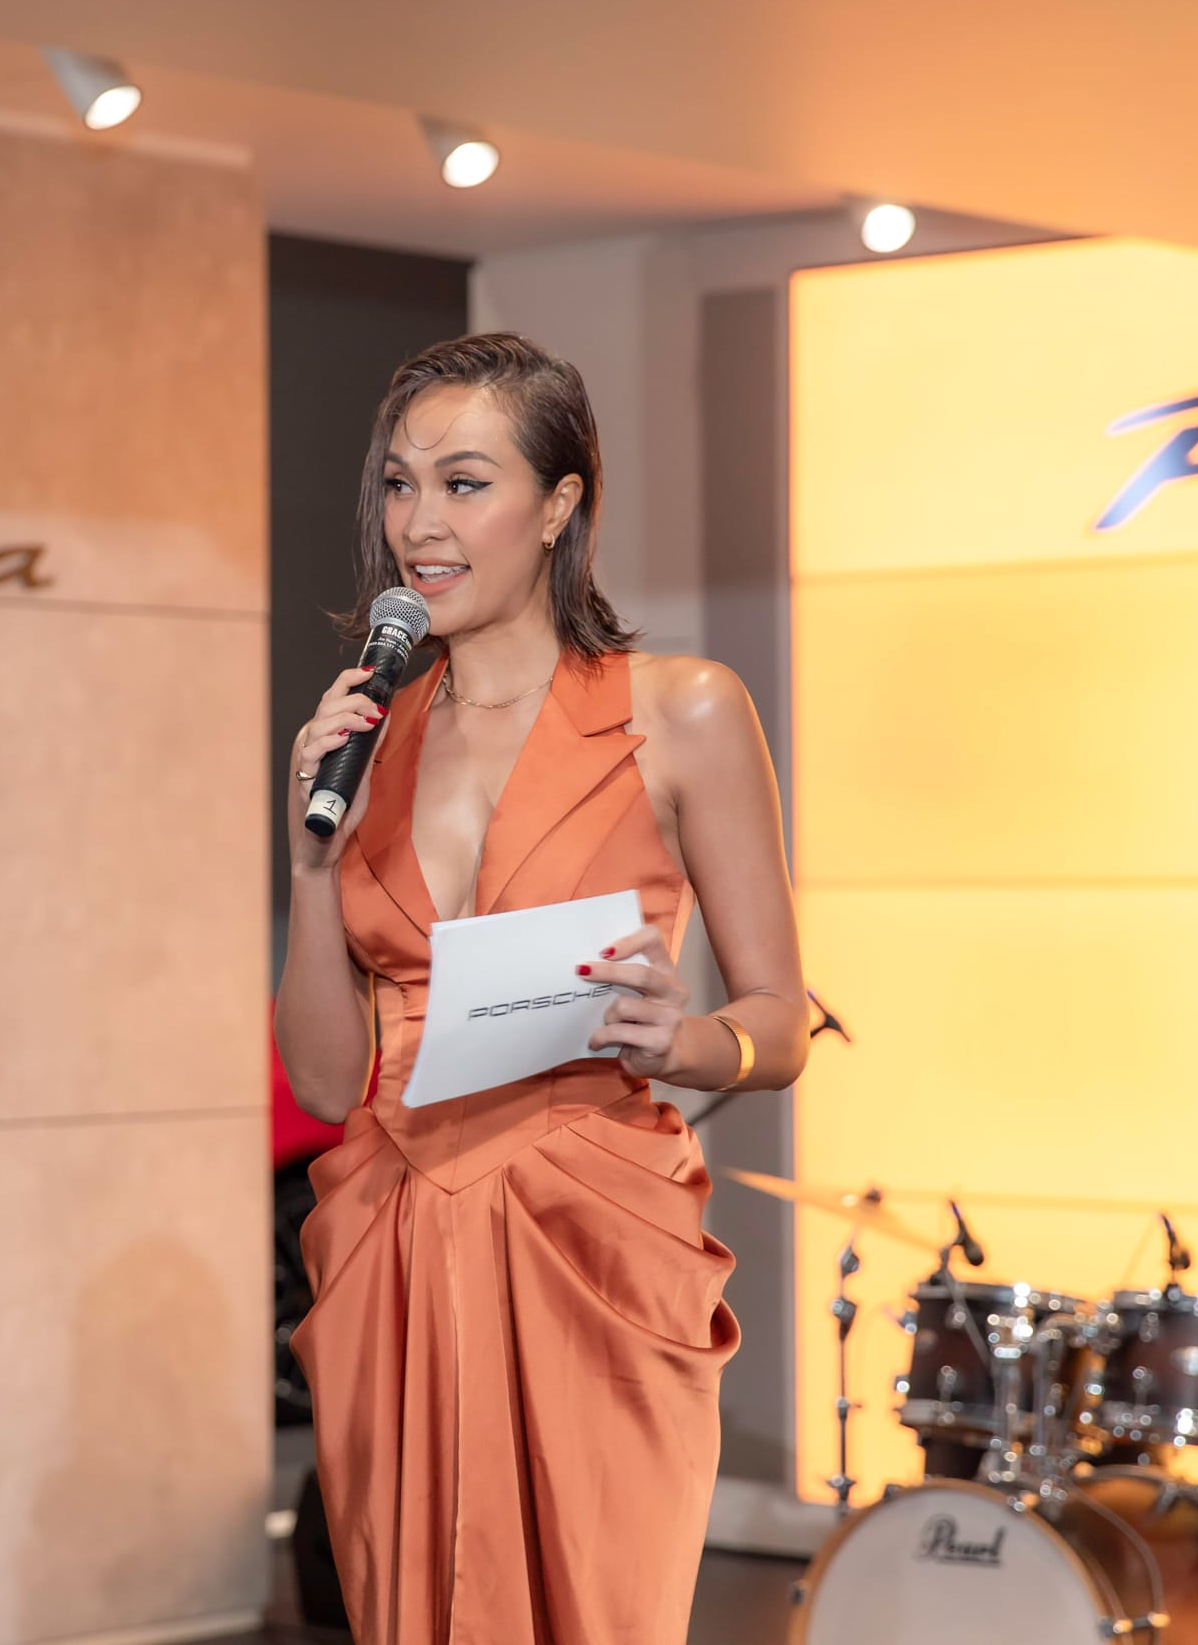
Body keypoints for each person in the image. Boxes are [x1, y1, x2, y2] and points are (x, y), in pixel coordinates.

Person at [276, 333, 807, 1644]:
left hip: (591, 1236)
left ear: (560, 504)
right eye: (399, 485)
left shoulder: (679, 710)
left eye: (465, 484)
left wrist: (686, 1040)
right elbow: (328, 1083)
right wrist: (307, 866)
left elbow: (782, 1021)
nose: (420, 524)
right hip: (394, 1237)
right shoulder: (369, 740)